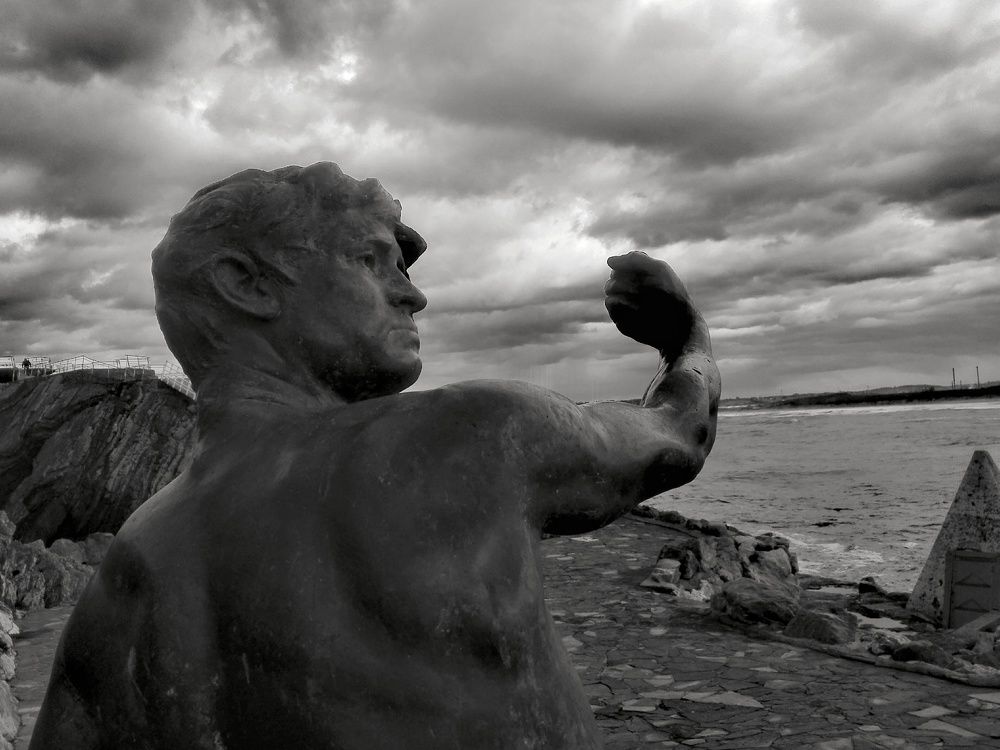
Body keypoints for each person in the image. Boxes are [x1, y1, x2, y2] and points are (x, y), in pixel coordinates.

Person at [30, 162, 720, 749]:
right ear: (247, 283)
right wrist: (685, 334)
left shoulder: (126, 569)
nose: (414, 294)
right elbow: (678, 432)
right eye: (370, 259)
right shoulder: (470, 433)